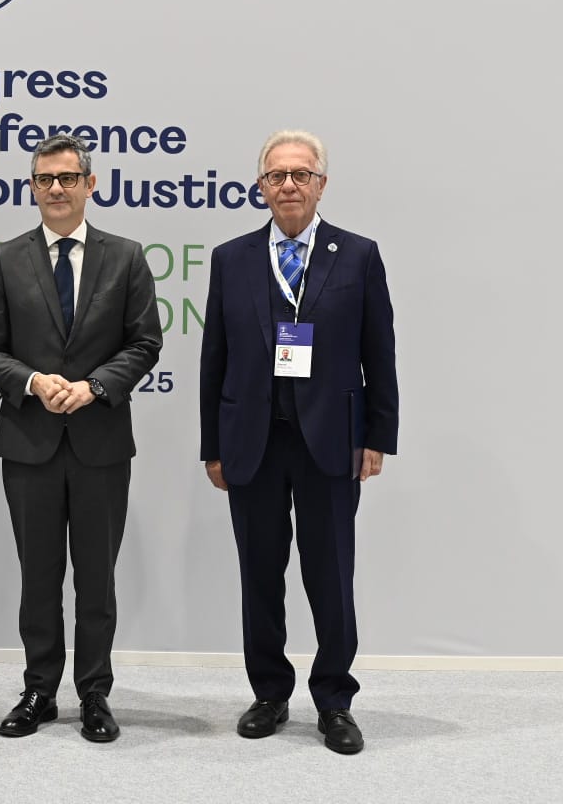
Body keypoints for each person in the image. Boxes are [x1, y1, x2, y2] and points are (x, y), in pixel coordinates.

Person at [198, 129, 398, 755]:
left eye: (301, 174)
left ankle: (335, 699)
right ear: (259, 186)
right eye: (276, 175)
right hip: (251, 441)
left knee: (331, 576)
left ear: (321, 185)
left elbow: (379, 353)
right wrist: (213, 443)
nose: (288, 184)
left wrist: (378, 436)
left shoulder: (359, 255)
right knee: (259, 574)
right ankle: (269, 693)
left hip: (331, 443)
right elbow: (215, 358)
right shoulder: (231, 258)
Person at [0, 133, 163, 743]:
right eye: (45, 179)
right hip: (29, 443)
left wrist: (96, 387)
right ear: (32, 187)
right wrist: (31, 380)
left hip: (101, 442)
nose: (57, 189)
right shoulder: (5, 258)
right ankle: (38, 690)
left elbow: (145, 342)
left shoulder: (127, 256)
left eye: (68, 178)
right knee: (38, 575)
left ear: (90, 185)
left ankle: (95, 695)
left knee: (96, 577)